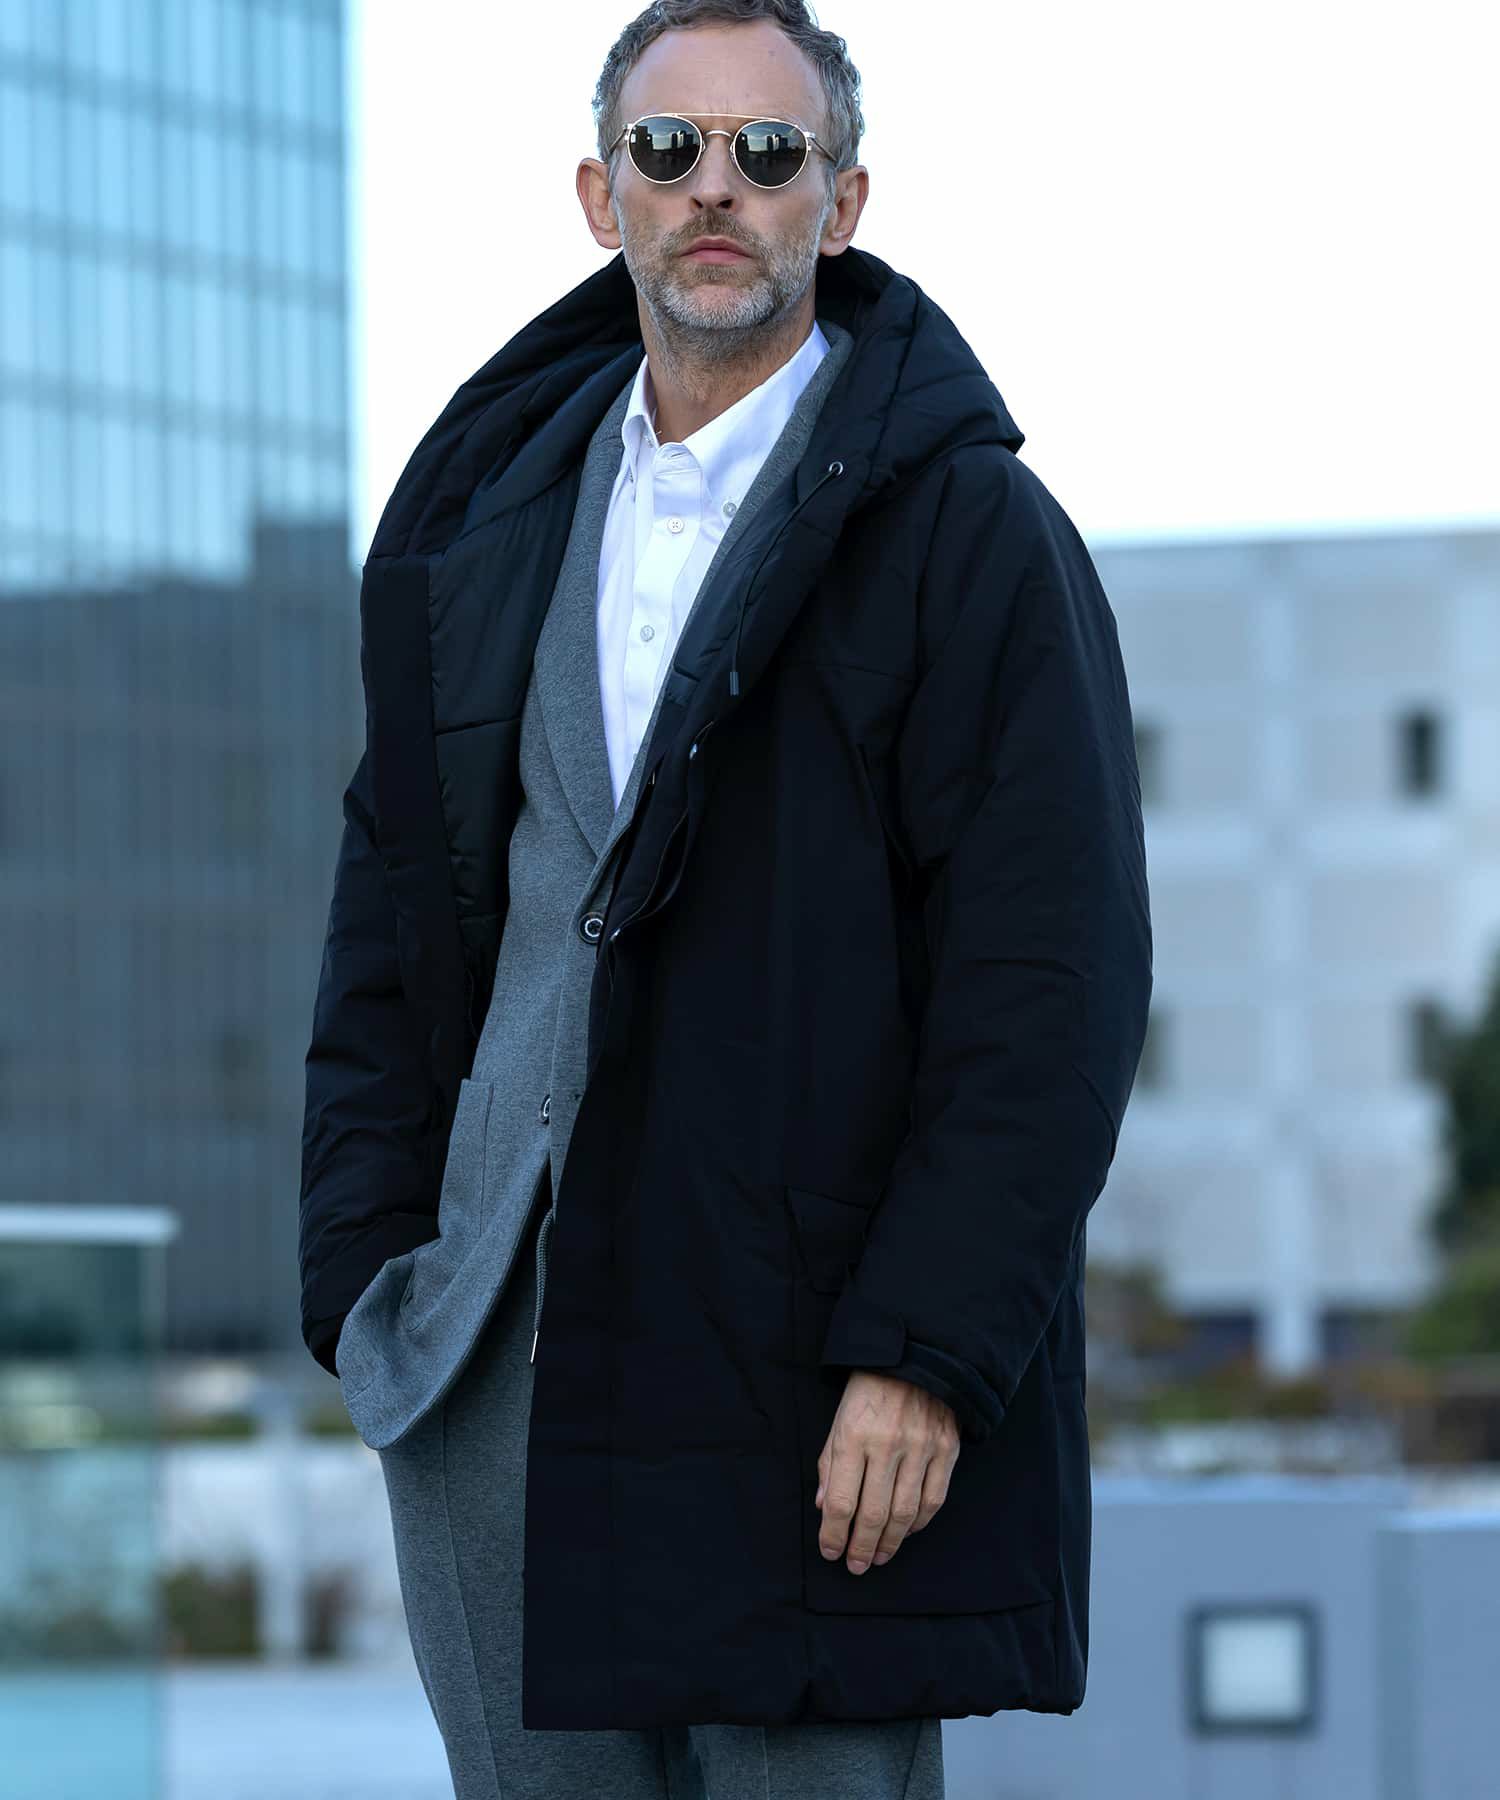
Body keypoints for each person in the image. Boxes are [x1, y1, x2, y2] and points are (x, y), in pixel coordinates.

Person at [297, 2, 1153, 1795]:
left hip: (814, 1381)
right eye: (669, 148)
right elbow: (386, 931)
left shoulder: (972, 537)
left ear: (842, 204)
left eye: (769, 152)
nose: (716, 188)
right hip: (493, 1366)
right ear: (597, 194)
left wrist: (927, 1354)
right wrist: (371, 1279)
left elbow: (1049, 987)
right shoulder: (484, 528)